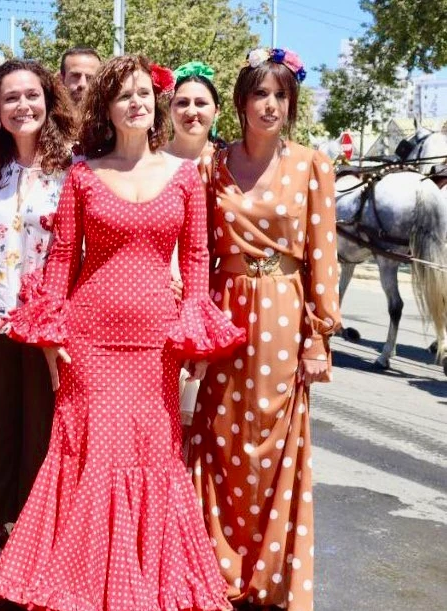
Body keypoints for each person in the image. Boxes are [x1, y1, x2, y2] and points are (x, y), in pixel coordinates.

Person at [0, 54, 244, 611]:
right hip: (89, 338)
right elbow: (61, 259)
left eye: (145, 95)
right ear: (107, 105)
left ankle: (140, 581)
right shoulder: (82, 173)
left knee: (152, 454)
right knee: (89, 454)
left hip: (156, 343)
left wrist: (196, 335)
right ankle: (81, 581)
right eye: (124, 94)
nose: (136, 103)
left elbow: (198, 259)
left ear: (156, 107)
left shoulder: (184, 177)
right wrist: (52, 335)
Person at [187, 48, 339, 611]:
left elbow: (323, 253)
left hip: (283, 308)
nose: (270, 105)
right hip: (224, 309)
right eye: (260, 95)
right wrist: (193, 324)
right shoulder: (213, 165)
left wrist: (319, 335)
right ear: (242, 102)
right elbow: (199, 249)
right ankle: (217, 566)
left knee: (274, 446)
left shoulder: (311, 164)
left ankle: (270, 578)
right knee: (219, 440)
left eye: (281, 96)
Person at [0, 59, 76, 574]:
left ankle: (37, 535)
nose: (23, 106)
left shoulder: (75, 165)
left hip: (52, 323)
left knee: (43, 431)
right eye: (11, 98)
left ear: (49, 100)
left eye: (32, 95)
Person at [163, 61, 222, 448]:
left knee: (209, 415)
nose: (191, 111)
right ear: (168, 111)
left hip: (220, 295)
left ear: (216, 111)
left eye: (201, 102)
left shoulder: (229, 164)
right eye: (182, 102)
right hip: (163, 297)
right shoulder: (152, 161)